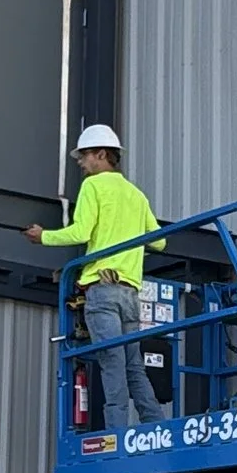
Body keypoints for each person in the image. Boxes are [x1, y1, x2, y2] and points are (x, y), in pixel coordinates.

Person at [28, 122, 167, 430]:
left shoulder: (93, 186)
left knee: (112, 363)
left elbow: (80, 232)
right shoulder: (136, 195)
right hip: (130, 292)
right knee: (133, 366)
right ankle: (157, 428)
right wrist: (128, 243)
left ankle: (117, 434)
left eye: (84, 155)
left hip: (102, 290)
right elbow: (160, 242)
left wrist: (43, 236)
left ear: (102, 154)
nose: (80, 162)